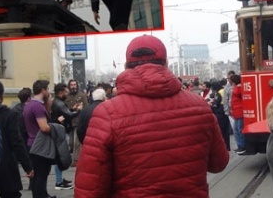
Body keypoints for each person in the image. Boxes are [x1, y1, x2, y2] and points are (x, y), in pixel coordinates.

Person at [74, 35, 228, 197]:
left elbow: (90, 188)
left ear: (126, 67)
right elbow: (219, 163)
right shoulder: (200, 106)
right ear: (166, 64)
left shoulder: (107, 114)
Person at [23, 80, 54, 198]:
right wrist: (56, 129)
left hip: (32, 143)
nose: (48, 92)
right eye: (47, 89)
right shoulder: (38, 106)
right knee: (42, 175)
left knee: (37, 176)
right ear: (43, 90)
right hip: (40, 145)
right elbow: (44, 127)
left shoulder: (29, 104)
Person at [50, 83, 78, 190]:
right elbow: (68, 115)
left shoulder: (57, 102)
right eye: (65, 92)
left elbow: (65, 113)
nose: (67, 94)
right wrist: (78, 111)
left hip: (59, 130)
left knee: (60, 156)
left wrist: (71, 110)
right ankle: (59, 181)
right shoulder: (59, 103)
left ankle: (60, 179)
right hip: (60, 131)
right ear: (61, 92)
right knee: (60, 156)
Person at [64, 79, 87, 167]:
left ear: (77, 85)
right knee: (70, 143)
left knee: (76, 142)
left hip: (78, 121)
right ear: (69, 86)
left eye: (74, 85)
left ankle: (76, 160)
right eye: (72, 85)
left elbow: (85, 108)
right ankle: (75, 157)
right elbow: (65, 109)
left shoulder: (82, 95)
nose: (73, 86)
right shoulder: (66, 97)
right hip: (69, 122)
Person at [208, 80, 231, 151]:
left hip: (220, 113)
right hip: (225, 112)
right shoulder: (223, 90)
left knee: (221, 131)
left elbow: (216, 104)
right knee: (226, 131)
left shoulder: (219, 93)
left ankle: (222, 147)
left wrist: (211, 104)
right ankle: (227, 146)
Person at [230, 74, 246, 155]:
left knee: (239, 129)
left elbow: (237, 93)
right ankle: (240, 145)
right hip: (237, 112)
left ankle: (242, 146)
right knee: (236, 130)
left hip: (239, 111)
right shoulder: (237, 87)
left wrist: (236, 86)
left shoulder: (239, 88)